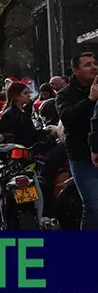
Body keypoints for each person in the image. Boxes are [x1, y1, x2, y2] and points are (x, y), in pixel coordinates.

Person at [57, 53, 98, 228]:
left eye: (95, 63)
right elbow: (68, 118)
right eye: (87, 64)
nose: (94, 67)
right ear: (75, 70)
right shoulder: (64, 94)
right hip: (82, 157)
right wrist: (91, 99)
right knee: (93, 205)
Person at [0, 82, 37, 147]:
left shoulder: (23, 111)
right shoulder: (10, 114)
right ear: (16, 96)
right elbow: (10, 139)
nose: (29, 95)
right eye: (25, 93)